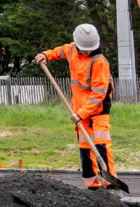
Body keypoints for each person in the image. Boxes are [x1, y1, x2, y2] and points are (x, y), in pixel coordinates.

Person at [36, 23, 118, 189]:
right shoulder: (72, 49)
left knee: (101, 144)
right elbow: (60, 51)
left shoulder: (99, 62)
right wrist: (45, 55)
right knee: (84, 146)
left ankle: (111, 185)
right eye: (84, 49)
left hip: (98, 108)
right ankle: (92, 186)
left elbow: (98, 94)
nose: (87, 52)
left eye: (90, 49)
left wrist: (82, 113)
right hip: (79, 107)